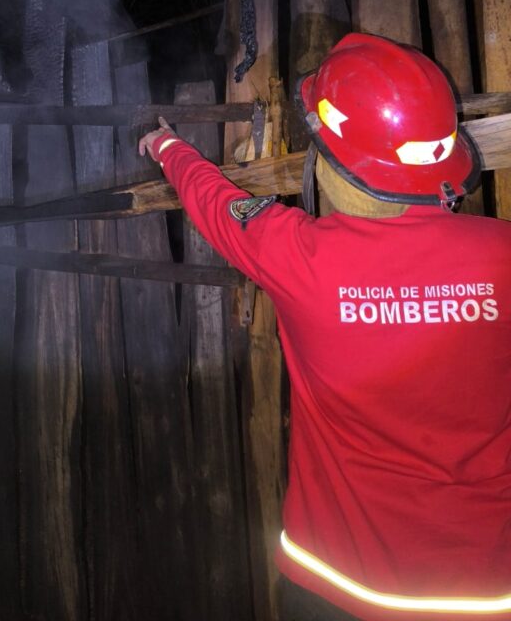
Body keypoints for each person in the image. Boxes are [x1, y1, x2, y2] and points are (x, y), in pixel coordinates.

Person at [139, 32, 511, 621]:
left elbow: (216, 204)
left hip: (340, 585)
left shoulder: (301, 257)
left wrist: (165, 146)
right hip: (489, 588)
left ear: (334, 160)